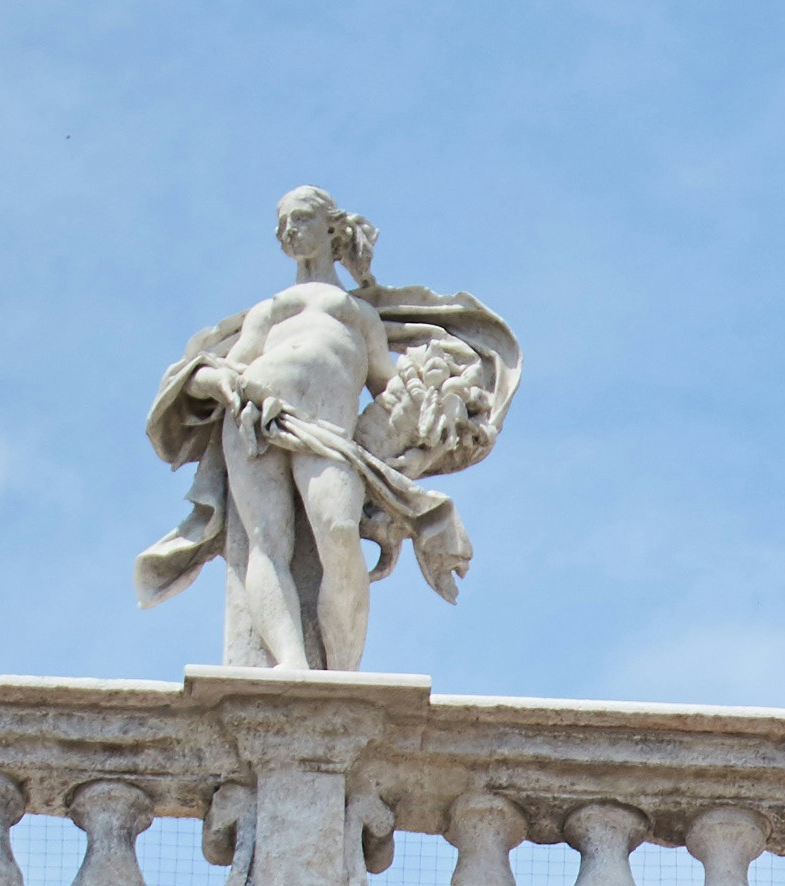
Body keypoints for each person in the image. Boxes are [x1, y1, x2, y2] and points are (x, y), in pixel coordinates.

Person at [136, 189, 519, 673]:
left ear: (331, 228)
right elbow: (215, 370)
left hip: (327, 431)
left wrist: (431, 425)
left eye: (299, 219)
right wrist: (231, 389)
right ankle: (291, 663)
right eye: (282, 225)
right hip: (256, 420)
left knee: (338, 530)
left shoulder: (355, 313)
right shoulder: (271, 308)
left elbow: (389, 388)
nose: (288, 231)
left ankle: (339, 671)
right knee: (265, 541)